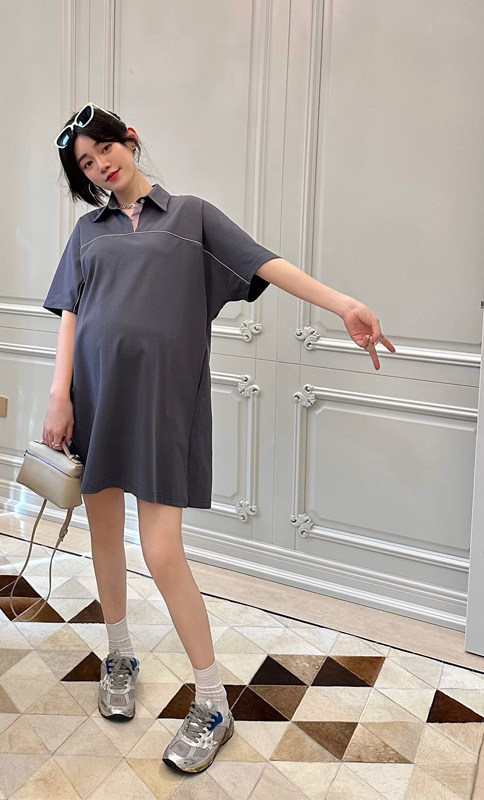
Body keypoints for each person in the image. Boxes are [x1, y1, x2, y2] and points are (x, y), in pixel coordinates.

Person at [42, 102, 395, 774]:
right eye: (85, 164)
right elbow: (71, 312)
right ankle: (120, 655)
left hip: (163, 404)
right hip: (94, 399)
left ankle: (212, 700)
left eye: (105, 149)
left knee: (161, 551)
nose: (100, 166)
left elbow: (267, 264)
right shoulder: (88, 232)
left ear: (129, 140)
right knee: (103, 533)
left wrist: (343, 304)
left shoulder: (192, 217)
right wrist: (60, 395)